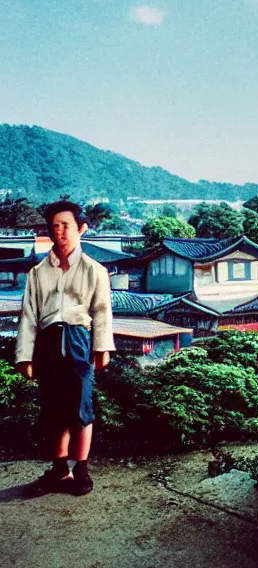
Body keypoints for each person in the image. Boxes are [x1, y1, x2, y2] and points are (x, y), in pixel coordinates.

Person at [15, 200, 115, 497]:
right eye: (55, 226)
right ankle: (60, 470)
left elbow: (102, 311)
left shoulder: (94, 270)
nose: (60, 232)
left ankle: (81, 470)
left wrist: (102, 348)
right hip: (47, 341)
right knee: (54, 407)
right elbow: (29, 315)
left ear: (81, 228)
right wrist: (25, 355)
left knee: (81, 407)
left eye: (66, 225)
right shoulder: (38, 272)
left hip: (78, 339)